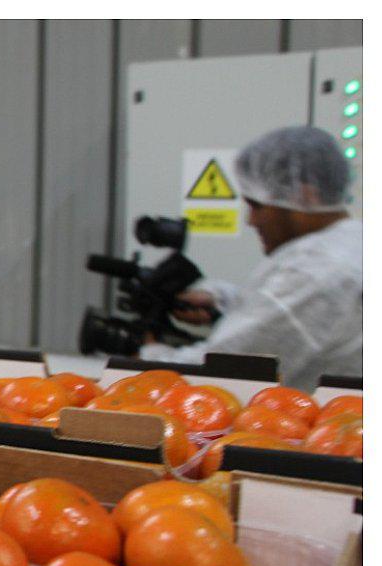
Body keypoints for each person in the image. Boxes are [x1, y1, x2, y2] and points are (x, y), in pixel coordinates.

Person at [141, 125, 361, 391]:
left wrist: (149, 356)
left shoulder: (316, 270)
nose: (251, 220)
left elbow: (224, 372)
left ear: (304, 195)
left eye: (257, 205)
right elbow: (290, 313)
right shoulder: (352, 241)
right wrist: (222, 303)